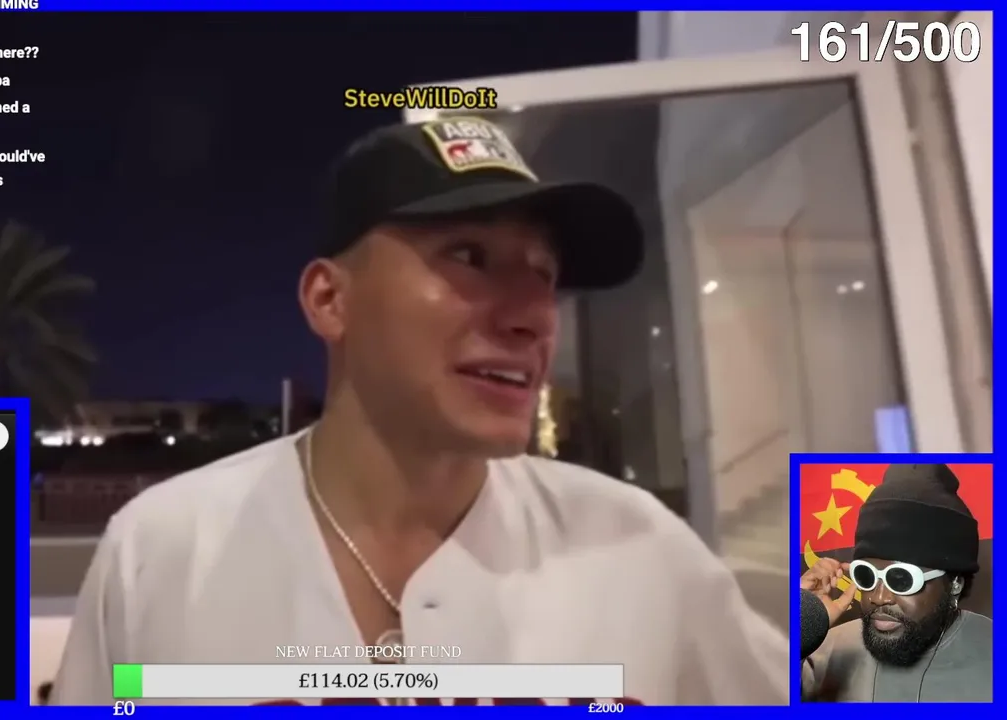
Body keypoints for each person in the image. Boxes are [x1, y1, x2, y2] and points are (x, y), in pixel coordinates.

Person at [51, 117, 789, 705]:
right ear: (329, 300)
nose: (532, 314)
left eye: (545, 274)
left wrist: (864, 535)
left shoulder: (640, 549)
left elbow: (849, 682)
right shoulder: (160, 550)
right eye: (469, 256)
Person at [801, 464, 992, 702]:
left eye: (901, 579)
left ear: (955, 583)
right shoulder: (826, 651)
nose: (879, 597)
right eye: (867, 575)